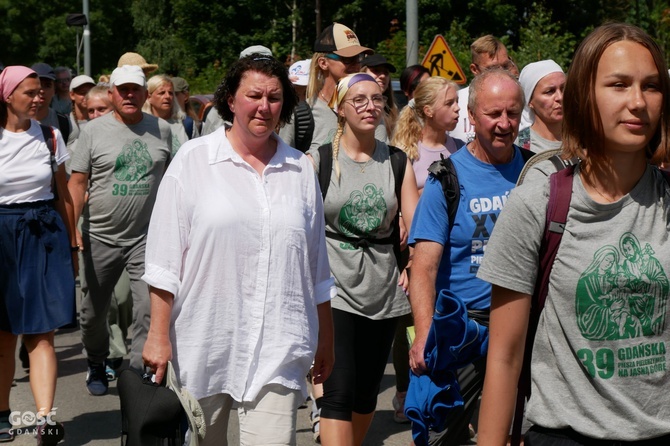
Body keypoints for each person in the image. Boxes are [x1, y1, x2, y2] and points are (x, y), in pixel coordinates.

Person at [476, 22, 670, 445]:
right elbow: (504, 358)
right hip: (565, 433)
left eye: (651, 86)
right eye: (619, 85)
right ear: (584, 95)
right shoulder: (537, 204)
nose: (637, 102)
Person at [141, 54, 335, 446]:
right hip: (204, 343)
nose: (264, 106)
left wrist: (325, 338)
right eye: (254, 95)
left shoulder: (300, 170)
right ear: (231, 100)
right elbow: (164, 260)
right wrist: (157, 336)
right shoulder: (192, 162)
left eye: (275, 98)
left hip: (280, 344)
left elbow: (316, 267)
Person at [407, 68, 528, 445]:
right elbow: (423, 268)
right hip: (465, 332)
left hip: (524, 324)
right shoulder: (447, 178)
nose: (504, 124)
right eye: (494, 114)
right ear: (472, 117)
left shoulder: (536, 171)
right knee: (446, 436)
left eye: (512, 113)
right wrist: (425, 333)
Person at [308, 72, 419, 445]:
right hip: (333, 291)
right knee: (337, 394)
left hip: (382, 292)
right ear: (340, 109)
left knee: (365, 397)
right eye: (359, 100)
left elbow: (418, 232)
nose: (370, 106)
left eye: (377, 99)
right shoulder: (319, 162)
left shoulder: (397, 162)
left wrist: (411, 267)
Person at [68, 65, 172, 396]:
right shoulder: (93, 131)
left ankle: (139, 372)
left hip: (146, 238)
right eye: (122, 89)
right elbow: (77, 182)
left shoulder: (163, 130)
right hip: (100, 236)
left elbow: (174, 180)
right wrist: (72, 230)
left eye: (135, 90)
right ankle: (97, 362)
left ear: (144, 94)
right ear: (111, 92)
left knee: (146, 309)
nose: (129, 95)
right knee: (94, 313)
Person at [0, 66, 77, 445]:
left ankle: (45, 420)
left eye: (41, 91)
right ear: (7, 95)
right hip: (1, 234)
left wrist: (73, 244)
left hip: (43, 233)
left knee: (41, 334)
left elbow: (63, 193)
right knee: (3, 336)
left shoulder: (50, 136)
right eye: (30, 92)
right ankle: (1, 413)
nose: (39, 97)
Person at [307, 22, 372, 151]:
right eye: (347, 58)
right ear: (323, 63)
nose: (355, 64)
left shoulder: (370, 110)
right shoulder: (305, 114)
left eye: (358, 57)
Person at [393, 76, 464, 193]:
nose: (457, 108)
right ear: (428, 111)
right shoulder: (406, 154)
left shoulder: (461, 148)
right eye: (449, 103)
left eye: (457, 101)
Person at [449, 35, 519, 143]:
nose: (501, 73)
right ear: (474, 69)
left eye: (505, 66)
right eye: (493, 69)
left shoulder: (519, 99)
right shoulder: (453, 102)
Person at [516, 60, 565, 152]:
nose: (560, 97)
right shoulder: (520, 146)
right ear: (529, 101)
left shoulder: (584, 139)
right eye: (549, 91)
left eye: (563, 89)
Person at [143, 74, 189, 153]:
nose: (167, 96)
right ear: (149, 97)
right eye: (162, 93)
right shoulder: (141, 125)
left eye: (171, 93)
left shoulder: (185, 123)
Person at [361, 54, 399, 142]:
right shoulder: (356, 106)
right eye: (376, 70)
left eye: (386, 73)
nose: (382, 76)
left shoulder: (392, 109)